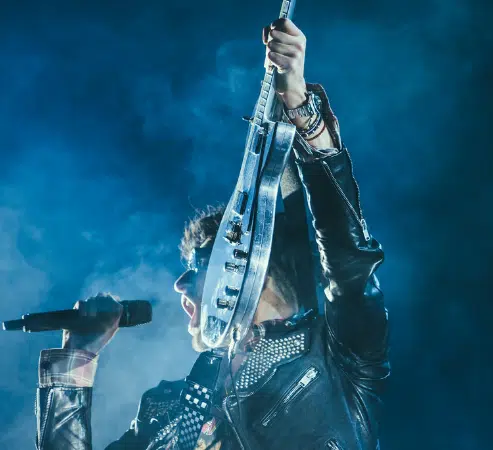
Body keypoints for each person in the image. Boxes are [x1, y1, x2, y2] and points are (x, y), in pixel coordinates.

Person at [35, 18, 389, 450]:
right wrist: (75, 361)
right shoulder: (164, 409)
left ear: (247, 267)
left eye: (201, 264)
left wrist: (300, 109)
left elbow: (346, 255)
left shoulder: (334, 356)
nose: (179, 284)